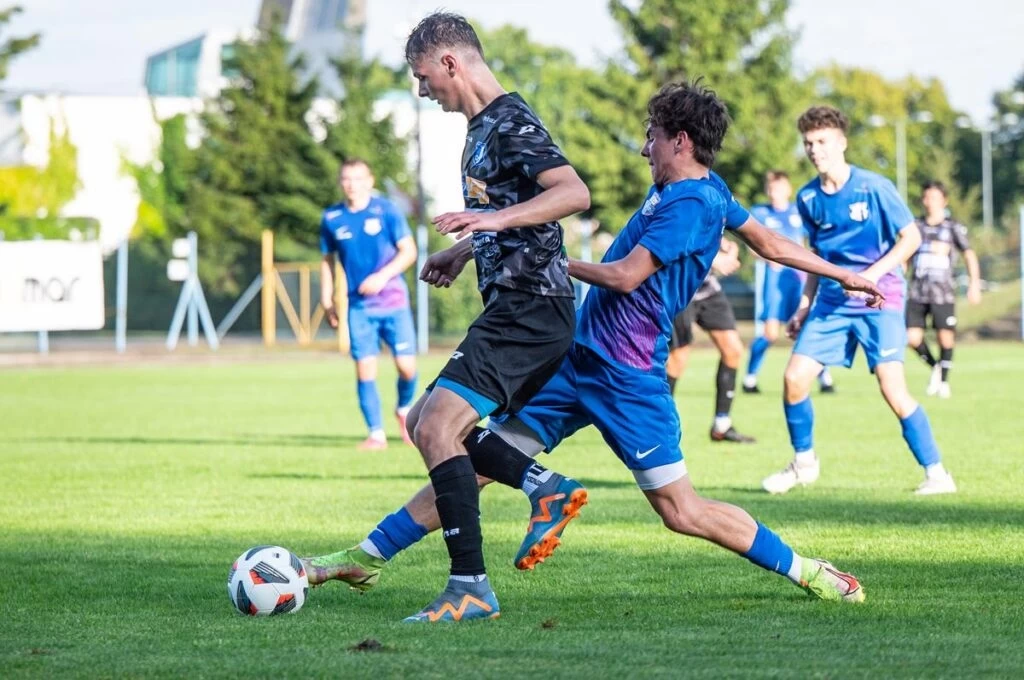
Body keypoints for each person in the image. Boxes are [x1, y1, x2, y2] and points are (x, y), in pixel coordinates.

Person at [303, 82, 886, 615]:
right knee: (470, 459)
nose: (645, 149)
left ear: (681, 141)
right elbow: (771, 243)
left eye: (652, 137)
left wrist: (544, 259)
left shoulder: (694, 204)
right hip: (573, 358)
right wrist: (843, 274)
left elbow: (626, 276)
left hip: (627, 375)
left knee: (681, 511)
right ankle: (367, 555)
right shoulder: (691, 190)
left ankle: (807, 570)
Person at [389, 12, 590, 623]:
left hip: (532, 307)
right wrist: (463, 250)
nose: (422, 90)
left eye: (423, 76)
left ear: (450, 63)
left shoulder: (510, 121)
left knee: (435, 428)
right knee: (423, 420)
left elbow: (572, 193)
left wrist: (489, 221)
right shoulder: (479, 130)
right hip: (515, 306)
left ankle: (470, 588)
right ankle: (542, 487)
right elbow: (509, 217)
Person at [761, 106, 957, 497]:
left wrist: (870, 277)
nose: (815, 150)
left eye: (822, 141)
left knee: (892, 388)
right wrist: (804, 305)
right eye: (808, 143)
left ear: (842, 143)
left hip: (880, 300)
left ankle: (937, 474)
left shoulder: (874, 187)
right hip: (831, 304)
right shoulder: (808, 197)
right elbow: (814, 259)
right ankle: (804, 463)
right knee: (794, 379)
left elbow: (911, 238)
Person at [320, 158, 419, 450]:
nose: (352, 185)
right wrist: (327, 298)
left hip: (394, 302)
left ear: (370, 181)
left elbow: (409, 251)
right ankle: (376, 434)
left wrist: (382, 276)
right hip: (359, 307)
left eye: (358, 178)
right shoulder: (332, 218)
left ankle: (403, 408)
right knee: (365, 369)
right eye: (346, 179)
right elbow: (327, 261)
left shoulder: (387, 210)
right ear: (340, 182)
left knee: (407, 368)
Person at [744, 171, 835, 394]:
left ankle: (825, 378)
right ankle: (750, 378)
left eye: (779, 188)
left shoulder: (797, 212)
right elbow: (752, 247)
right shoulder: (760, 213)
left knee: (806, 328)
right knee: (770, 333)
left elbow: (808, 243)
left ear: (787, 190)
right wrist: (768, 259)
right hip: (774, 281)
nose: (774, 193)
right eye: (771, 189)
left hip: (798, 279)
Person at [666, 240, 757, 443]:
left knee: (733, 350)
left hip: (707, 288)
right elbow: (678, 238)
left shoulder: (720, 215)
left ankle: (722, 425)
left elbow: (716, 231)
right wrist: (713, 259)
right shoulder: (682, 215)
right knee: (678, 359)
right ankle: (657, 425)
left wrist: (727, 245)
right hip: (680, 288)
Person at [906, 180, 982, 399]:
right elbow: (905, 255)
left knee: (945, 339)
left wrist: (974, 284)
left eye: (934, 197)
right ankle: (936, 368)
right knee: (912, 338)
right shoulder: (915, 226)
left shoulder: (952, 227)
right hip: (917, 292)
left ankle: (944, 382)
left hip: (943, 293)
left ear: (944, 201)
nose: (929, 202)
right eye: (926, 197)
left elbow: (969, 254)